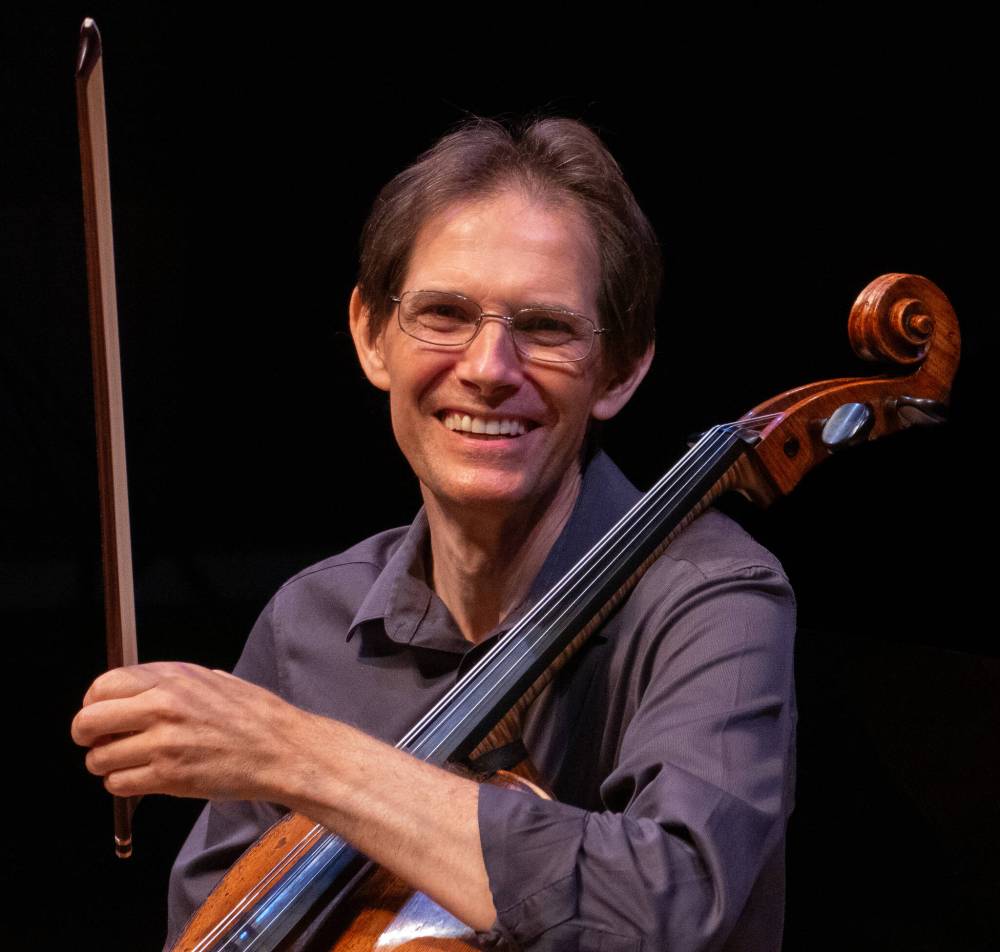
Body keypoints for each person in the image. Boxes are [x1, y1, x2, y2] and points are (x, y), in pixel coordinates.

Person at [72, 116, 797, 951]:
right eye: (444, 314)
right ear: (371, 335)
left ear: (622, 368)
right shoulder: (310, 624)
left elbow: (671, 905)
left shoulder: (714, 601)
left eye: (546, 327)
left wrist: (295, 753)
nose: (489, 369)